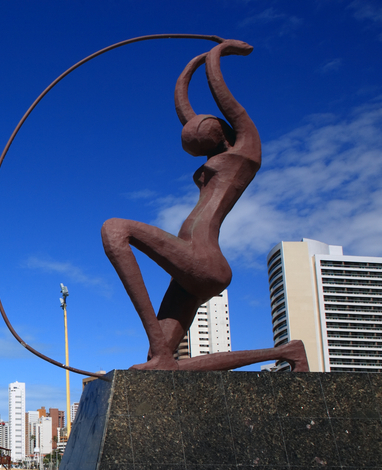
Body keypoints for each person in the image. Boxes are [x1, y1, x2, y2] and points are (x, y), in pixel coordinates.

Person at [100, 39, 308, 372]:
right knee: (161, 367)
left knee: (115, 229)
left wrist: (217, 55)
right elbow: (187, 112)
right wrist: (189, 69)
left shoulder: (245, 156)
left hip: (203, 259)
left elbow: (230, 106)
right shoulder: (217, 152)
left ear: (219, 133)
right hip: (191, 264)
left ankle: (158, 343)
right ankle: (288, 352)